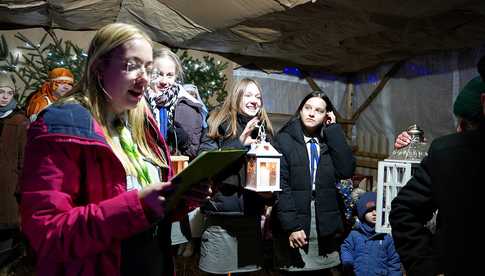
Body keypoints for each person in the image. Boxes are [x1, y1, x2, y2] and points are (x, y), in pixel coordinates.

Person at [18, 23, 207, 276]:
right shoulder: (61, 126)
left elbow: (152, 213)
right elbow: (48, 233)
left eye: (148, 68)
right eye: (131, 65)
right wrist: (135, 206)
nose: (145, 78)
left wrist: (181, 198)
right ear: (99, 67)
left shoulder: (142, 123)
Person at [389, 79, 485, 274]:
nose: (459, 129)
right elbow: (406, 209)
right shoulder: (449, 153)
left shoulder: (449, 151)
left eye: (465, 124)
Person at [271, 91, 355, 275]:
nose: (311, 113)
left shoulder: (330, 141)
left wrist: (333, 129)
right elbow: (280, 185)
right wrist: (292, 226)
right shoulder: (283, 140)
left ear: (327, 115)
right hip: (295, 218)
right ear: (300, 110)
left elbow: (346, 171)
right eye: (307, 108)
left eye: (318, 110)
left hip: (324, 221)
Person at [197, 78, 274, 275]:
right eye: (248, 95)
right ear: (236, 97)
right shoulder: (218, 125)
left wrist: (270, 197)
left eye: (258, 96)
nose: (254, 100)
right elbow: (204, 166)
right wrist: (240, 143)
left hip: (251, 219)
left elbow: (274, 173)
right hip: (221, 221)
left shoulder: (264, 131)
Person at [146, 49, 206, 159]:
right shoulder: (136, 102)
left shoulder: (189, 107)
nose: (164, 81)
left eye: (169, 75)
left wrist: (185, 142)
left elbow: (194, 153)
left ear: (176, 76)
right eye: (159, 74)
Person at [340, 192, 402, 276]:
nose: (375, 213)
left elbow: (393, 262)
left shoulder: (386, 237)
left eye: (378, 209)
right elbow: (346, 248)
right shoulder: (355, 234)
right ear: (362, 213)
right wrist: (348, 262)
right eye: (369, 210)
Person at [0, 73, 28, 226]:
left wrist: (20, 186)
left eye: (9, 93)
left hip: (8, 185)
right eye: (1, 92)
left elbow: (24, 158)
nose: (5, 97)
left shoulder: (19, 120)